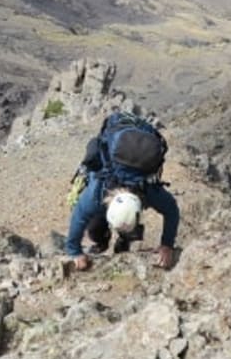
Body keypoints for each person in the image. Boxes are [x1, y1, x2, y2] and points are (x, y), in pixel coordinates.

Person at [65, 113, 180, 270]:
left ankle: (124, 240)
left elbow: (172, 210)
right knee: (94, 229)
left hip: (132, 180)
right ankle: (102, 240)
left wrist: (167, 245)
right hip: (107, 183)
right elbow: (79, 216)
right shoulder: (96, 193)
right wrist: (74, 252)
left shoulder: (148, 189)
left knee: (128, 226)